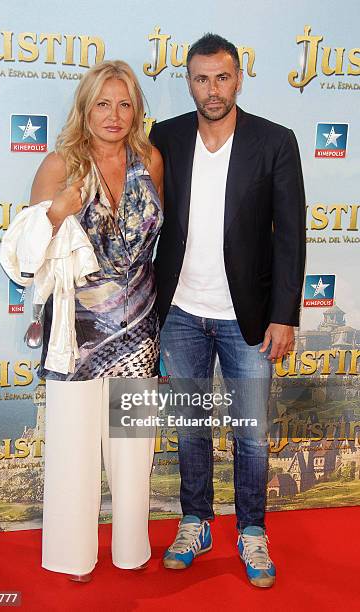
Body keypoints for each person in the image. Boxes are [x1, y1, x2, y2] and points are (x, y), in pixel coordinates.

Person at [150, 33, 305, 588]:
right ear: (187, 81)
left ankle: (251, 529)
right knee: (190, 428)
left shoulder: (275, 141)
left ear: (239, 79)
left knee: (252, 434)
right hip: (181, 313)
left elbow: (290, 236)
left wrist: (284, 314)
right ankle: (195, 521)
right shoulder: (162, 138)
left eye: (222, 77)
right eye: (201, 78)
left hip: (251, 317)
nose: (212, 90)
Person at [30, 60, 163, 581]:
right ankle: (72, 556)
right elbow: (32, 252)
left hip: (140, 324)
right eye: (103, 103)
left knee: (134, 451)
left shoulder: (150, 159)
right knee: (73, 448)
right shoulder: (61, 164)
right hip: (77, 333)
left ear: (136, 110)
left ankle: (132, 550)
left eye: (124, 103)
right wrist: (58, 212)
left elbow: (157, 236)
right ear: (86, 109)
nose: (114, 115)